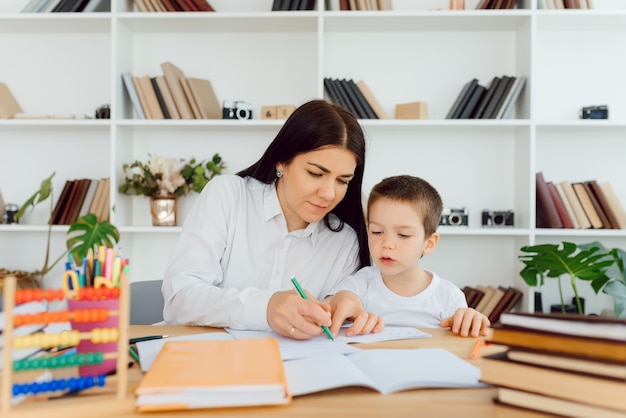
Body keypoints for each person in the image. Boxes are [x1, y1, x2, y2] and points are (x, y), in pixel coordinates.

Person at [161, 99, 383, 339]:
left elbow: (335, 310)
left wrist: (340, 305)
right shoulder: (228, 196)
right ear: (282, 161)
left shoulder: (344, 241)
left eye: (343, 181)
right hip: (207, 361)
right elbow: (179, 299)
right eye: (316, 173)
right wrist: (266, 308)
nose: (329, 194)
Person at [328, 175, 490, 337]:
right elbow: (329, 305)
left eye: (403, 235)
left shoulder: (448, 297)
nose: (387, 243)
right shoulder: (360, 284)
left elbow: (463, 335)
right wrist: (337, 300)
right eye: (377, 231)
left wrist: (470, 320)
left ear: (429, 243)